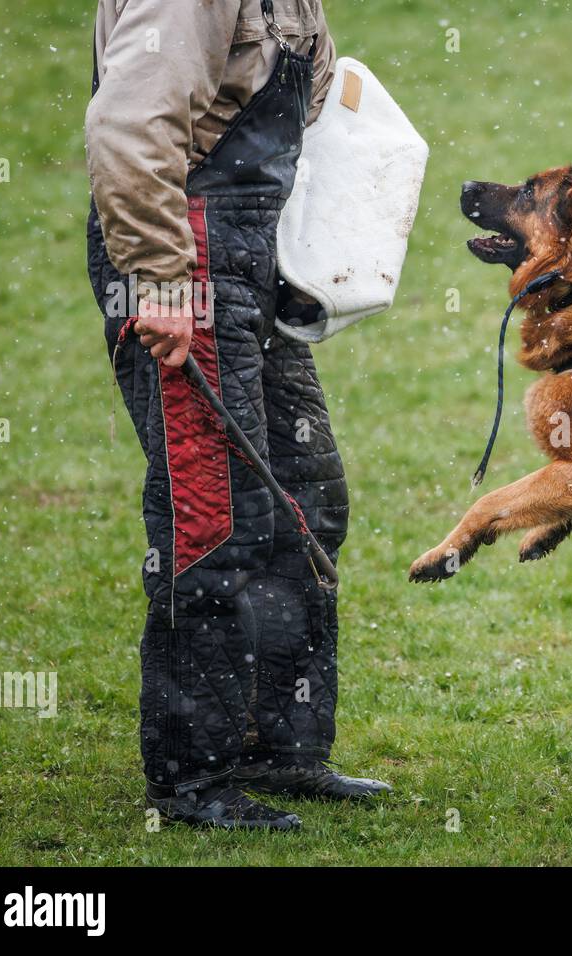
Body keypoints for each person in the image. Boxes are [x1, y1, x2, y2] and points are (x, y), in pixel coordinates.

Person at [85, 0, 389, 830]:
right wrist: (159, 278)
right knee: (215, 520)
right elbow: (128, 126)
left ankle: (277, 746)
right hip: (184, 257)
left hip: (253, 261)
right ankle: (193, 779)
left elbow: (316, 110)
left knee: (304, 501)